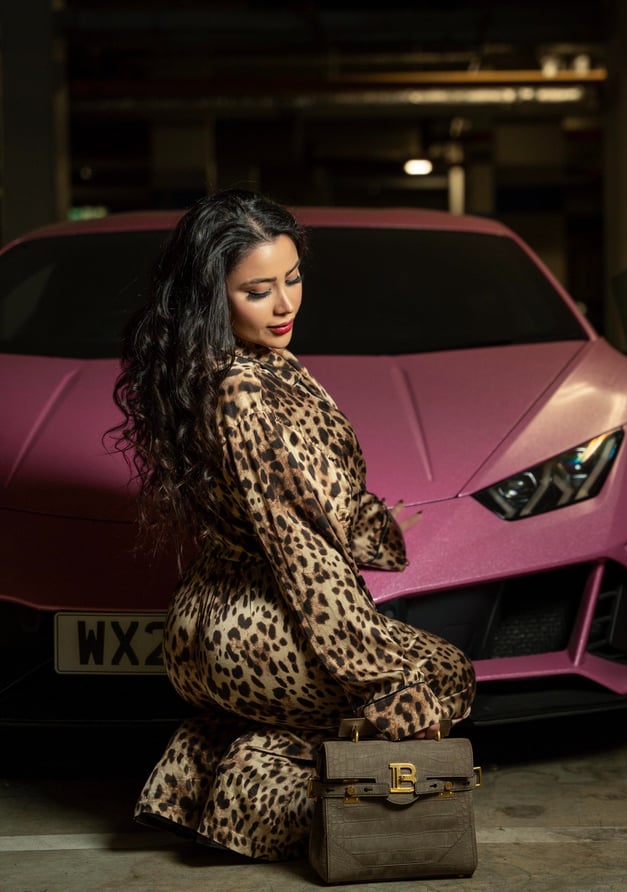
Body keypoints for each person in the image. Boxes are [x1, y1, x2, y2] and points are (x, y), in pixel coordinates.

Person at [112, 188, 476, 861]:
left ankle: (198, 784)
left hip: (214, 614)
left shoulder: (234, 366)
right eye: (258, 291)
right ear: (212, 297)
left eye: (294, 278)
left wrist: (363, 519)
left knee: (349, 702)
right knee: (442, 676)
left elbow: (299, 505)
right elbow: (301, 556)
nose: (285, 305)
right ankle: (260, 805)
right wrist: (381, 675)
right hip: (255, 627)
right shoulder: (243, 391)